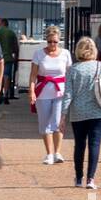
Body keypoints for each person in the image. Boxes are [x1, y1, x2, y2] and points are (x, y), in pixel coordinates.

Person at [59, 35, 101, 190]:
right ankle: (91, 179)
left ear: (78, 51)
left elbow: (68, 94)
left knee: (79, 145)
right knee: (95, 144)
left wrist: (63, 115)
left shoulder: (72, 70)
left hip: (78, 113)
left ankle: (79, 178)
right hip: (98, 111)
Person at [30, 26, 73, 165]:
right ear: (46, 41)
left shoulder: (65, 54)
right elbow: (33, 76)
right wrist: (31, 91)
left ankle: (57, 152)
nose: (52, 45)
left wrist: (71, 92)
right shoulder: (38, 54)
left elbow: (70, 74)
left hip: (60, 92)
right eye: (49, 42)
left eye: (55, 42)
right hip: (43, 92)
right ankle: (49, 153)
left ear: (59, 40)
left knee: (58, 122)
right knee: (44, 123)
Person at [0, 18, 19, 103]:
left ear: (1, 23)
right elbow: (16, 47)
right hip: (8, 58)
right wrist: (16, 58)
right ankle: (6, 95)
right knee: (6, 76)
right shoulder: (11, 33)